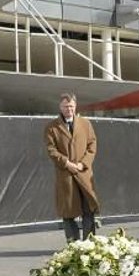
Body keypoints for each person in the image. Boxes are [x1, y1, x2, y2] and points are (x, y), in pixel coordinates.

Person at [45, 93, 99, 242]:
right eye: (65, 106)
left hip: (84, 174)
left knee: (89, 209)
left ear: (75, 106)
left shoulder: (86, 124)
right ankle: (73, 245)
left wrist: (82, 163)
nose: (69, 109)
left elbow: (92, 146)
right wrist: (67, 163)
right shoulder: (52, 127)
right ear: (60, 107)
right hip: (66, 176)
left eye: (71, 106)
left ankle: (89, 243)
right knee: (68, 212)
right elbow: (51, 150)